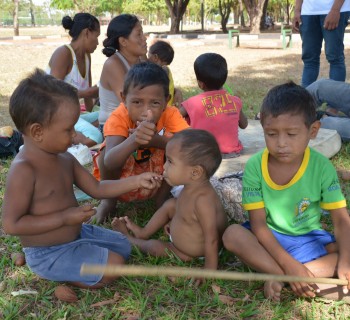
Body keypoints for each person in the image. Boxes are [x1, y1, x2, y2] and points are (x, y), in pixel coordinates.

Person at [2, 69, 162, 288]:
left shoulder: (64, 158)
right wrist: (65, 218)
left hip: (77, 234)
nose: (75, 136)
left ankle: (79, 260)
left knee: (124, 247)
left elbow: (96, 188)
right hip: (48, 252)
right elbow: (12, 224)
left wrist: (136, 180)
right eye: (69, 130)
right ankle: (55, 274)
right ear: (38, 132)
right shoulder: (24, 170)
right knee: (114, 265)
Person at [222, 82, 350, 302]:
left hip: (309, 241)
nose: (281, 143)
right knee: (232, 234)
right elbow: (259, 226)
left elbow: (340, 220)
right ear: (262, 127)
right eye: (271, 134)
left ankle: (285, 278)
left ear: (313, 131)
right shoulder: (255, 166)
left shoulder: (321, 167)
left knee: (345, 250)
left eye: (291, 134)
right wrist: (291, 267)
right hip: (269, 240)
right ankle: (288, 277)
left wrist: (345, 261)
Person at [112, 129, 228, 279]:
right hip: (187, 233)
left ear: (195, 172)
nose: (164, 167)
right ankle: (143, 232)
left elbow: (212, 239)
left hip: (189, 252)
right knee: (171, 204)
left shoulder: (203, 201)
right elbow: (185, 210)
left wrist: (208, 270)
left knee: (155, 247)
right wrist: (177, 222)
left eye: (170, 162)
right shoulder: (191, 186)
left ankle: (132, 240)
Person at [92, 62, 189, 223]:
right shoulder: (119, 116)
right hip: (120, 183)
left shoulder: (170, 114)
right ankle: (109, 201)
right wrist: (134, 140)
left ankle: (161, 200)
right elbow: (109, 161)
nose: (146, 111)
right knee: (104, 153)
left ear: (166, 101)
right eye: (137, 102)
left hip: (155, 180)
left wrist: (158, 141)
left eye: (155, 103)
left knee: (179, 146)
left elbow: (192, 144)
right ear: (123, 98)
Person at [47, 13, 103, 147]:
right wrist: (87, 93)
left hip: (70, 114)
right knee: (96, 136)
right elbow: (52, 92)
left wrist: (92, 112)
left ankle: (67, 133)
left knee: (106, 116)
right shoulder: (63, 53)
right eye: (97, 36)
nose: (97, 42)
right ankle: (57, 136)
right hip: (53, 113)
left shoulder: (87, 57)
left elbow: (88, 94)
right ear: (87, 33)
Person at [179, 53, 248, 158]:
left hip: (202, 154)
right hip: (232, 153)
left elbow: (174, 117)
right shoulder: (235, 101)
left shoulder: (192, 103)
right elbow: (244, 124)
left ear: (200, 83)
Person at [98, 14, 147, 130]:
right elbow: (132, 103)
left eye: (143, 33)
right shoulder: (113, 64)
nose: (144, 38)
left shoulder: (141, 59)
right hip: (113, 127)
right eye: (139, 34)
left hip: (136, 121)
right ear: (123, 41)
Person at [293, 0, 350, 88]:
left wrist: (335, 10)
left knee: (335, 58)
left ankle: (334, 100)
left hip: (335, 9)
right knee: (309, 60)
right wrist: (297, 10)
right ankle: (305, 99)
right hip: (307, 11)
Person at [148, 40, 183, 107]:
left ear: (155, 57)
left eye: (148, 55)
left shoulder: (160, 71)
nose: (147, 58)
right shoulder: (166, 69)